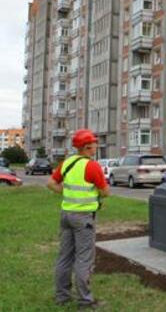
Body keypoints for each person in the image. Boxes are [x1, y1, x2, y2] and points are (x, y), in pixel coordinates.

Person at [46, 129, 109, 309]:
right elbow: (105, 192)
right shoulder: (92, 166)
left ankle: (62, 297)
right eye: (94, 142)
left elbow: (51, 183)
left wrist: (67, 193)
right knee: (84, 259)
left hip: (66, 215)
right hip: (84, 219)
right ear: (88, 146)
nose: (96, 145)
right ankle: (85, 301)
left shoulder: (67, 163)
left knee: (64, 257)